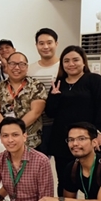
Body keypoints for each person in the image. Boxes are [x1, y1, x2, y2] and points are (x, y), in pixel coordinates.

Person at [46, 46, 101, 190]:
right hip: (63, 141)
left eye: (75, 60)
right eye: (66, 61)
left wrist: (100, 132)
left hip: (89, 139)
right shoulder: (58, 83)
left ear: (83, 62)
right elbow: (50, 113)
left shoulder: (95, 80)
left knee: (95, 180)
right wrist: (54, 97)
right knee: (65, 181)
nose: (71, 64)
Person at [0, 52, 47, 149]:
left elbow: (36, 112)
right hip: (4, 142)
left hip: (30, 141)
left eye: (21, 64)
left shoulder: (36, 86)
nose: (17, 68)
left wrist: (16, 129)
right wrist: (7, 131)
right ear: (7, 66)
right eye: (12, 64)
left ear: (27, 67)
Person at [27, 28, 60, 156]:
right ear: (36, 45)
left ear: (56, 44)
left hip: (56, 124)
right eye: (41, 43)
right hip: (35, 125)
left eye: (49, 42)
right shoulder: (30, 69)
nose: (45, 47)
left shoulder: (63, 68)